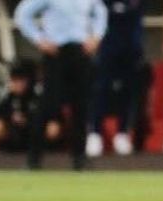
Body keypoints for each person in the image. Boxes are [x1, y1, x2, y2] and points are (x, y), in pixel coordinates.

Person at [14, 0, 108, 170]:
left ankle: (80, 159)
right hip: (56, 53)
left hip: (80, 53)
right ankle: (34, 158)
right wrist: (39, 39)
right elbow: (23, 14)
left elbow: (101, 12)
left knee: (81, 107)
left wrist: (96, 36)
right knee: (46, 106)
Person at [87, 0, 146, 157]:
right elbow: (93, 17)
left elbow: (137, 22)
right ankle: (95, 133)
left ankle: (122, 133)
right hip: (106, 48)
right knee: (101, 90)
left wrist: (138, 48)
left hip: (130, 50)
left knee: (127, 92)